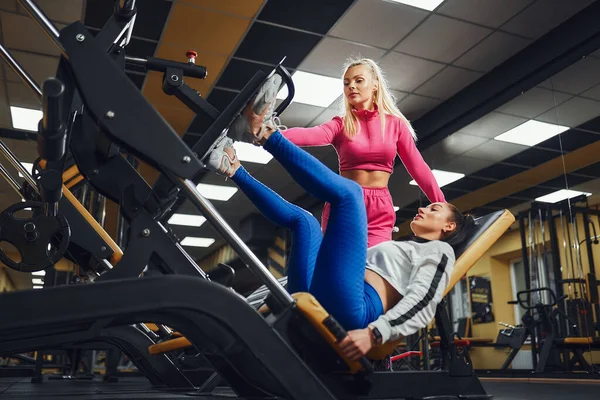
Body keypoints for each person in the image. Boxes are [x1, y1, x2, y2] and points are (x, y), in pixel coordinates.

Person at [207, 110, 473, 361]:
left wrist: (375, 333)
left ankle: (264, 132)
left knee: (351, 194)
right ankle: (232, 167)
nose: (423, 208)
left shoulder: (439, 252)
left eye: (434, 208)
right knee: (305, 222)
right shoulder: (408, 248)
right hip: (326, 294)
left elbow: (425, 300)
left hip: (354, 308)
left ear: (448, 227)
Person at [232, 58, 446, 248]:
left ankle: (263, 131)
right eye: (346, 83)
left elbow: (418, 168)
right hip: (345, 201)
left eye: (358, 80)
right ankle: (263, 131)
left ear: (375, 85)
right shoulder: (341, 125)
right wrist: (271, 136)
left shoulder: (395, 125)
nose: (351, 86)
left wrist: (443, 207)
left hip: (380, 208)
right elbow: (310, 135)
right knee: (339, 264)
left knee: (374, 268)